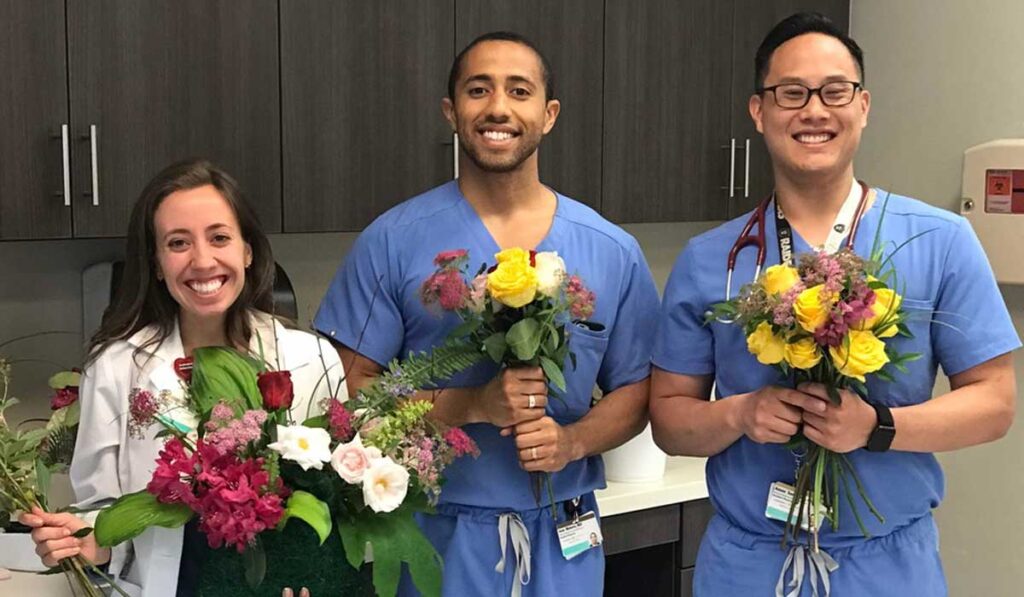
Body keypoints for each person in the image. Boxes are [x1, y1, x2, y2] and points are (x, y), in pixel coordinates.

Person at [650, 12, 1019, 597]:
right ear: (759, 111)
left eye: (835, 91)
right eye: (791, 93)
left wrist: (877, 426)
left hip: (886, 568)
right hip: (749, 565)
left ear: (863, 106)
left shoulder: (939, 240)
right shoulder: (709, 259)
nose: (814, 110)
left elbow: (995, 403)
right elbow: (670, 421)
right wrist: (740, 415)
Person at [315, 31, 659, 596]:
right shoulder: (393, 242)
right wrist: (470, 405)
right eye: (479, 90)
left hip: (566, 533)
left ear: (549, 114)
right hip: (438, 534)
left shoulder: (611, 251)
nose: (498, 107)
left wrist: (571, 443)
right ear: (451, 111)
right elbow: (350, 392)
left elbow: (639, 391)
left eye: (519, 91)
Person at [20, 159, 344, 597]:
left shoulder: (311, 359)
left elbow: (335, 505)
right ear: (156, 263)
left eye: (219, 237)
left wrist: (317, 582)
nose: (202, 260)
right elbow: (103, 512)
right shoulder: (117, 367)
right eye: (178, 243)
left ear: (248, 250)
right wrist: (83, 542)